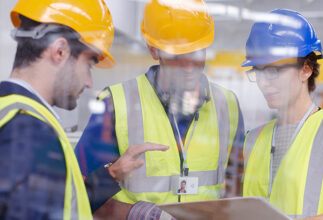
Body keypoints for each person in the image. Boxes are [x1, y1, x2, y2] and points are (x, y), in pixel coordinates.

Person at [75, 0, 244, 218]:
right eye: (177, 55)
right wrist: (137, 214)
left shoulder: (227, 105)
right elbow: (79, 194)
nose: (189, 65)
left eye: (197, 51)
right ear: (154, 50)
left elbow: (237, 186)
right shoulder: (115, 103)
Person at [0, 0, 168, 219]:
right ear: (59, 51)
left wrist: (112, 174)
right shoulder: (29, 131)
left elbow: (61, 205)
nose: (89, 81)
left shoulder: (12, 111)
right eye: (89, 64)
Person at [241, 9, 323, 219]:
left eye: (273, 71)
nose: (263, 82)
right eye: (258, 71)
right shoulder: (253, 138)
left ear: (306, 69)